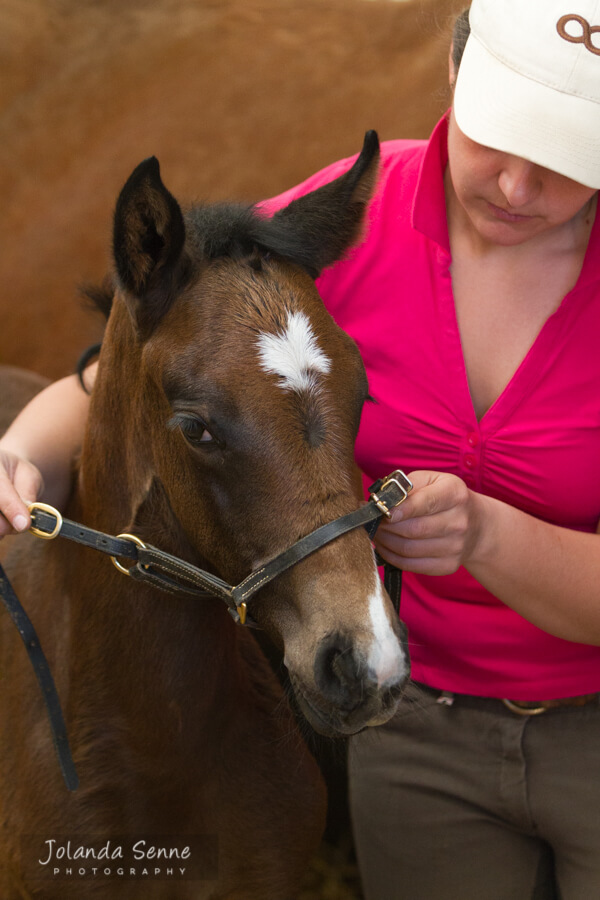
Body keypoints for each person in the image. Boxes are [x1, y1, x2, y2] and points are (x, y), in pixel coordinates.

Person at [1, 0, 600, 896]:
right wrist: (23, 449)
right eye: (496, 139)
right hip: (414, 728)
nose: (517, 187)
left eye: (562, 159)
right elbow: (144, 367)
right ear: (454, 75)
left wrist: (485, 536)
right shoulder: (350, 221)